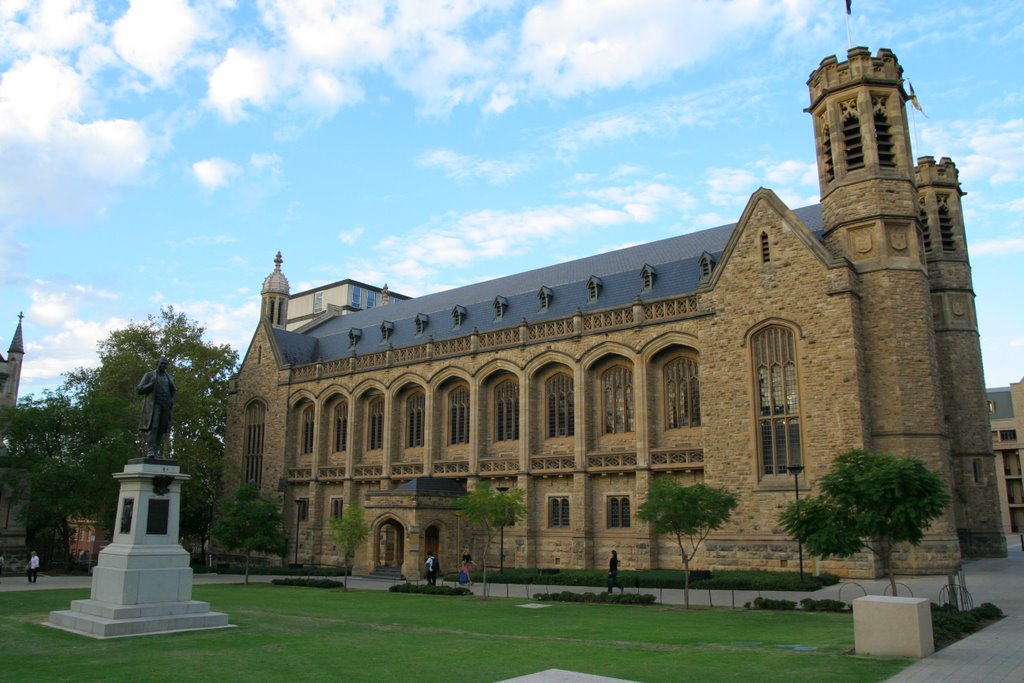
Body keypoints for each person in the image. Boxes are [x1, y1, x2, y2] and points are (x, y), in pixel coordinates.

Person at [138, 357, 176, 458]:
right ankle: (150, 450)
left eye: (166, 364)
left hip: (165, 405)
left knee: (161, 428)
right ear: (157, 363)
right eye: (162, 363)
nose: (164, 366)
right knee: (154, 426)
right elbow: (139, 389)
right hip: (154, 404)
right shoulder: (149, 375)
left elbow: (173, 390)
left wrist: (171, 401)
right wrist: (150, 385)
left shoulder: (169, 377)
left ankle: (155, 451)